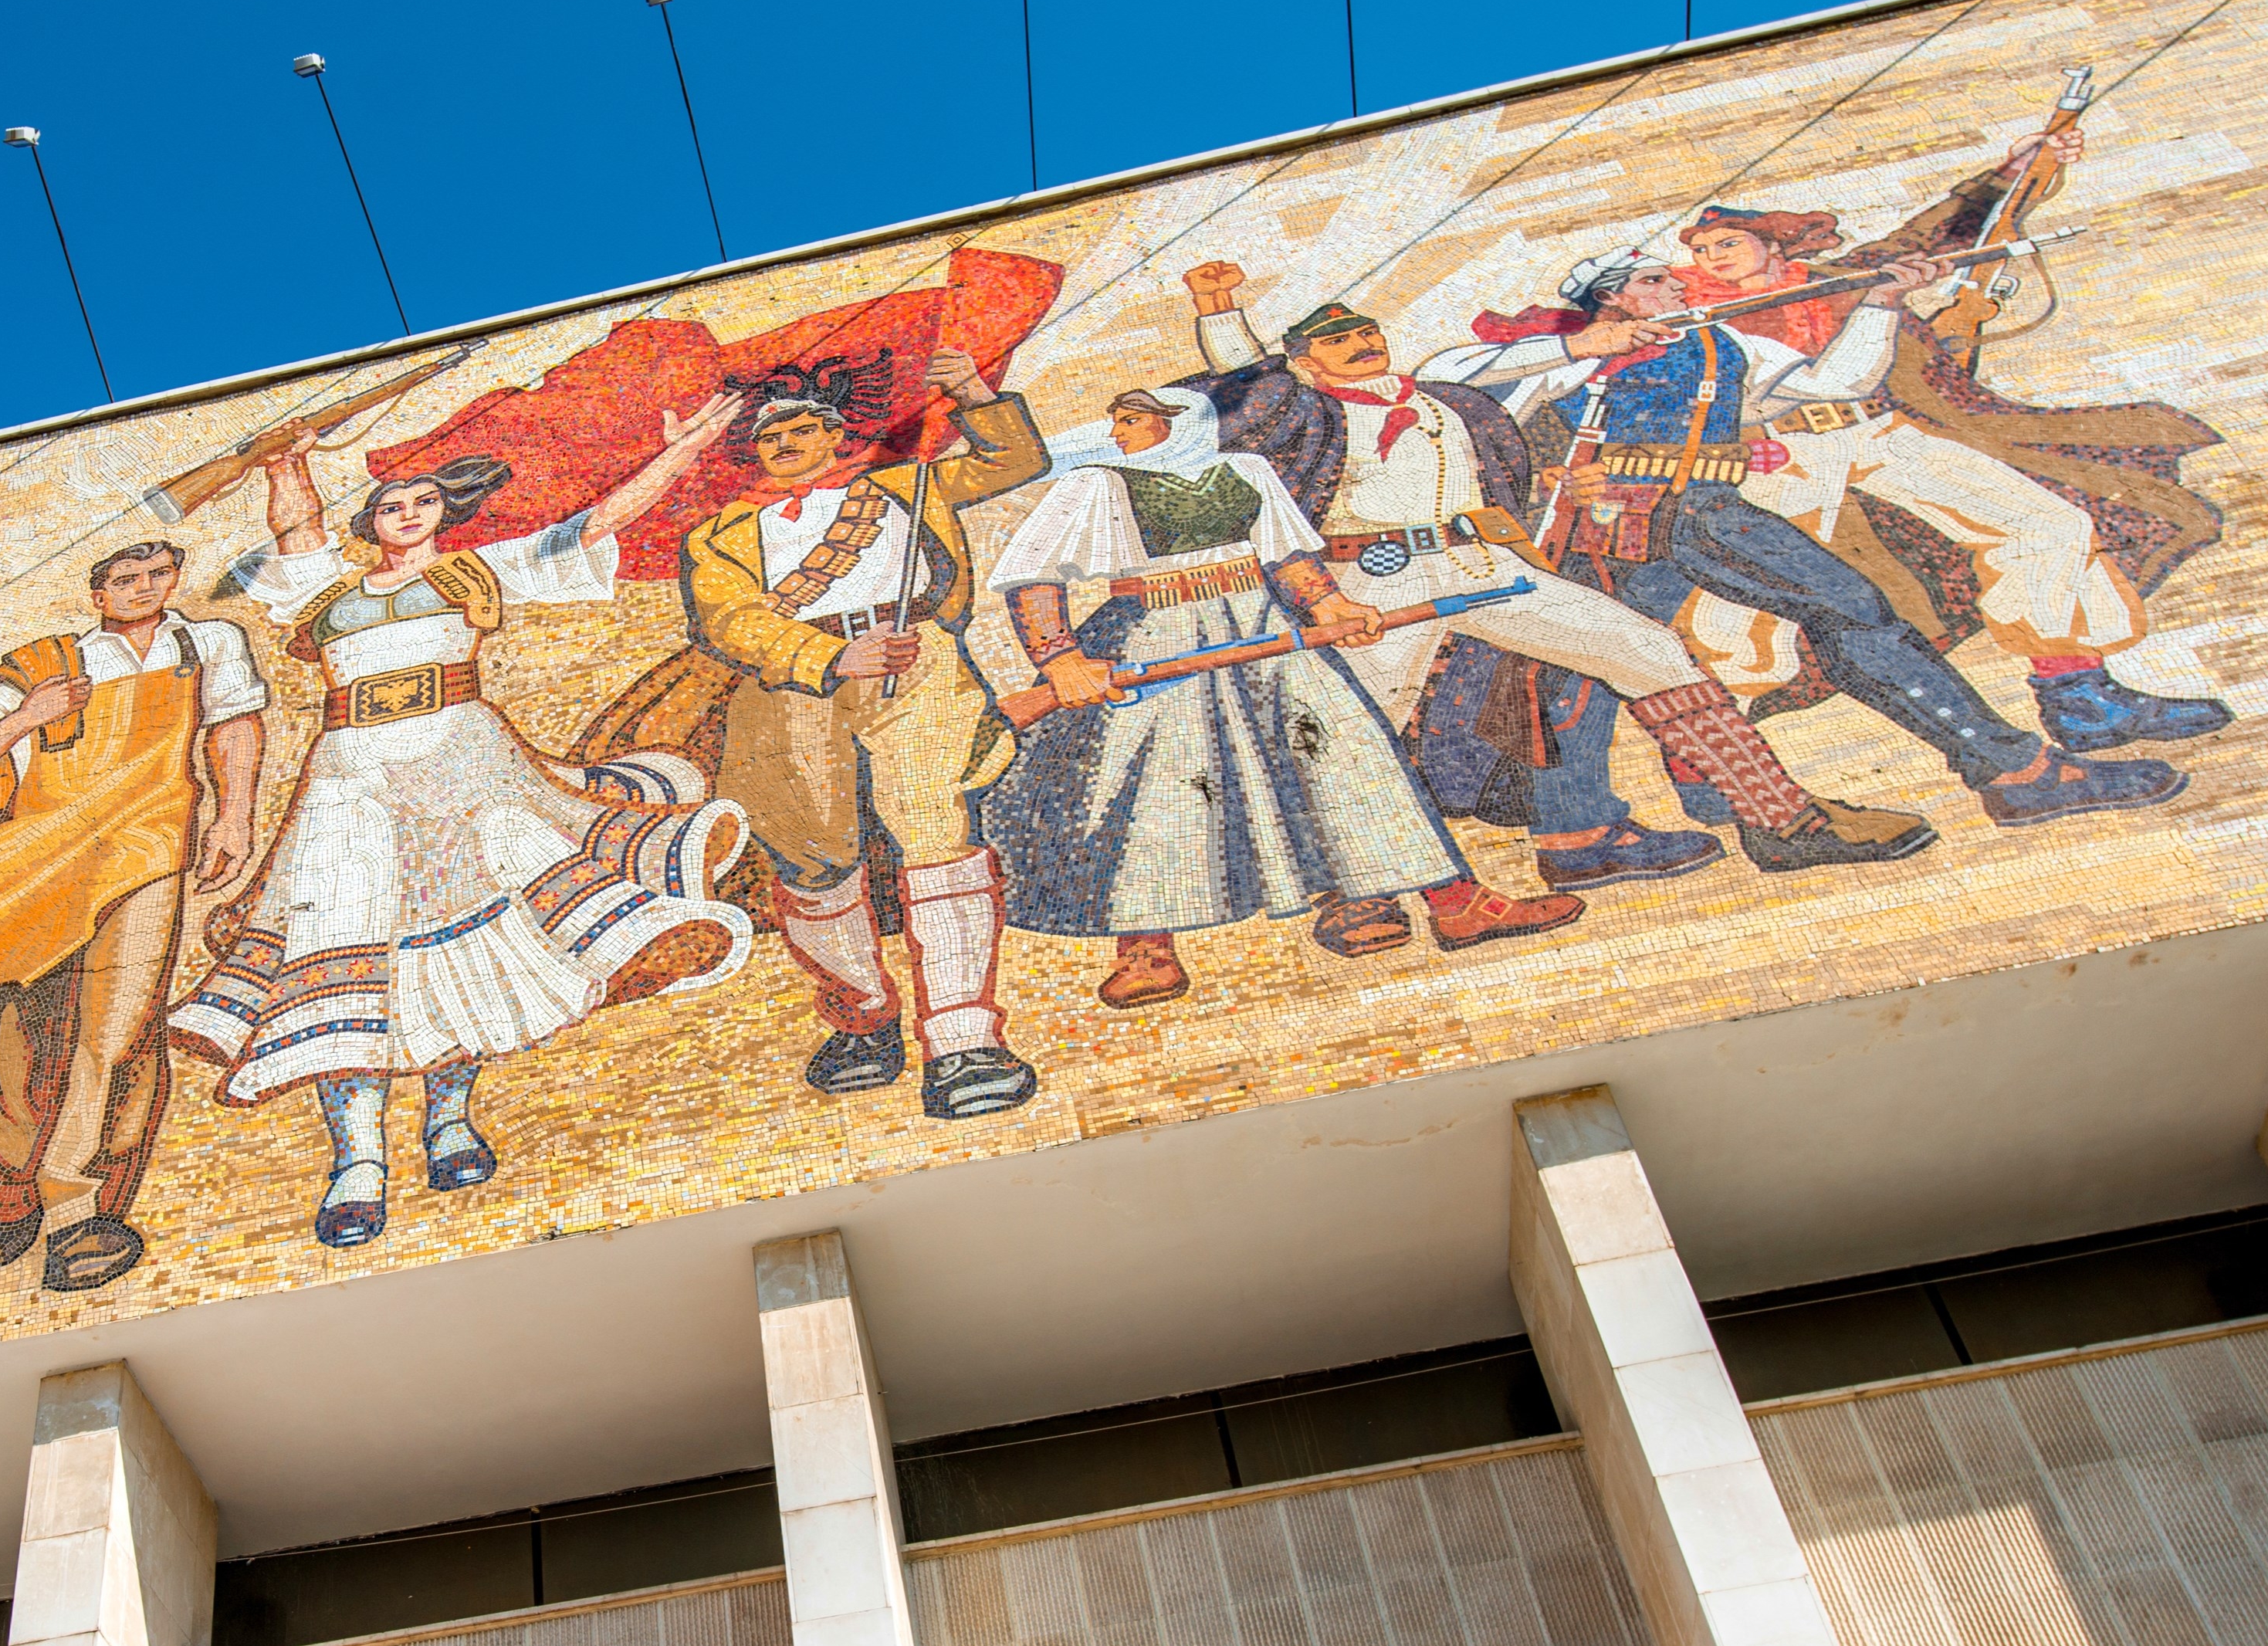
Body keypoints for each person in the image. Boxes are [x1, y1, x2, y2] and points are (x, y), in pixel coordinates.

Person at [170, 403, 754, 1247]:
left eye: (423, 503)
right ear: (368, 519)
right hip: (349, 774)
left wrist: (688, 448)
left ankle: (449, 1120)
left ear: (446, 514)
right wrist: (285, 456)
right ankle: (357, 1161)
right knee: (345, 943)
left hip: (461, 758)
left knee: (465, 940)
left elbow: (601, 521)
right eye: (390, 505)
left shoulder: (478, 574)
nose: (405, 516)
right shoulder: (327, 587)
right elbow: (294, 519)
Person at [1183, 269, 1934, 875]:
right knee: (1361, 724)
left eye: (1365, 331)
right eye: (1339, 341)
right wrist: (1219, 309)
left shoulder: (1447, 397)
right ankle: (1336, 882)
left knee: (1649, 650)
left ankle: (1781, 820)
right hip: (1377, 580)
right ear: (1306, 364)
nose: (1360, 343)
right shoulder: (1310, 414)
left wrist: (1591, 351)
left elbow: (1516, 381)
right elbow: (1252, 380)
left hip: (1483, 563)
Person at [1430, 256, 2185, 827]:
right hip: (1618, 519)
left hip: (1700, 503)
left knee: (1666, 650)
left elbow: (1836, 387)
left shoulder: (1721, 343)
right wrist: (1581, 345)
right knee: (1831, 614)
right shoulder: (1575, 351)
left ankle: (1698, 792)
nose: (1678, 291)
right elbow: (1446, 374)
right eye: (1658, 282)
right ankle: (2013, 776)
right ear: (1615, 293)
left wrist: (1880, 305)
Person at [979, 383, 1568, 1004]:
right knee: (1159, 788)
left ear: (1179, 423)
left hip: (1263, 625)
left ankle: (1454, 902)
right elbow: (1037, 576)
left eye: (1132, 420)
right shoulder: (1096, 485)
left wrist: (1333, 604)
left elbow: (1285, 556)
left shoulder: (1245, 471)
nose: (1118, 432)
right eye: (1118, 420)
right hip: (1153, 636)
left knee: (1348, 760)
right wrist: (1062, 659)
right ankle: (1146, 949)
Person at [1671, 133, 2232, 753]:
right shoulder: (1688, 315)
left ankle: (2077, 695)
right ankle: (1714, 743)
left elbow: (1937, 234)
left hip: (1878, 431)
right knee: (1756, 594)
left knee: (2043, 525)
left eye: (1728, 242)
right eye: (1701, 250)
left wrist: (2016, 172)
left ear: (1773, 242)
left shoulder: (1842, 277)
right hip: (1778, 454)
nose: (1713, 257)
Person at [671, 347, 1051, 1115]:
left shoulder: (907, 483)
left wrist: (974, 394)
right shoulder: (719, 536)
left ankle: (965, 1041)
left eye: (800, 429)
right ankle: (864, 1017)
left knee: (934, 827)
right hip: (795, 680)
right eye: (769, 436)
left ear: (836, 434)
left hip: (914, 658)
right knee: (811, 856)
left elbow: (1014, 460)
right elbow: (730, 620)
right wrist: (831, 655)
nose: (783, 443)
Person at [0, 543, 265, 1293]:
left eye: (156, 576)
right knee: (20, 1033)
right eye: (124, 581)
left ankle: (85, 1210)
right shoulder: (44, 663)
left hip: (148, 850)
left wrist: (236, 819)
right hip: (45, 859)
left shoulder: (208, 644)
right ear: (97, 593)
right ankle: (4, 1205)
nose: (142, 590)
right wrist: (30, 716)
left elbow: (235, 729)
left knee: (122, 1031)